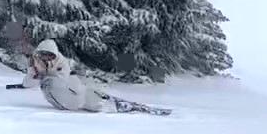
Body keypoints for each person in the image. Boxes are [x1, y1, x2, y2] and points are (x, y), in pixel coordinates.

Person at [19, 40, 172, 116]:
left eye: (48, 55)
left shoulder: (60, 64)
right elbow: (28, 83)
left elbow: (65, 81)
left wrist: (45, 75)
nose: (45, 58)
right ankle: (115, 103)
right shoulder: (35, 63)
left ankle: (131, 107)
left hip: (79, 93)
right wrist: (33, 74)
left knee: (98, 102)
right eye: (43, 55)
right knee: (95, 99)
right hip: (71, 98)